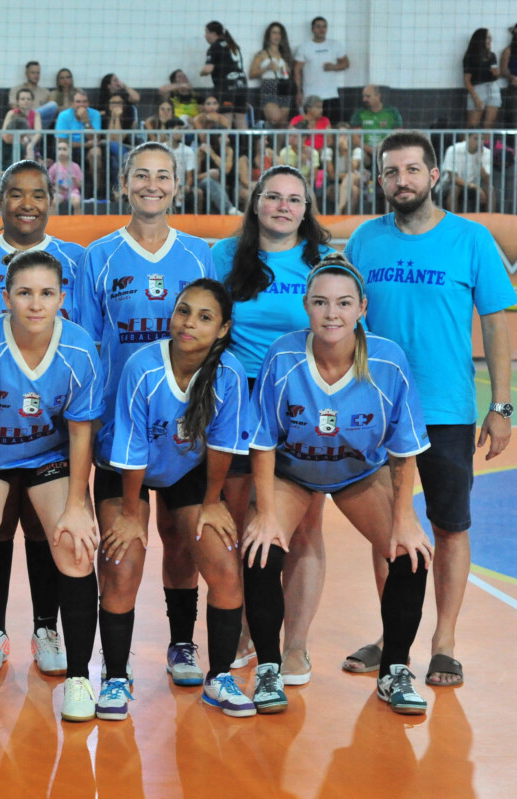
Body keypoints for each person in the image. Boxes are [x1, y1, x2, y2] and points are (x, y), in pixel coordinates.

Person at [344, 130, 514, 687]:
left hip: (446, 409)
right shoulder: (365, 240)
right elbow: (344, 317)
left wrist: (502, 406)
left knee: (449, 525)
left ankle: (444, 642)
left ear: (434, 175)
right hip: (376, 410)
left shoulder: (471, 239)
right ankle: (392, 636)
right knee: (385, 529)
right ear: (381, 180)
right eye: (392, 172)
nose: (402, 181)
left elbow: (496, 322)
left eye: (412, 170)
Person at [243, 254, 432, 715]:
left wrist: (404, 518)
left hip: (358, 474)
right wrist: (265, 514)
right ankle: (269, 668)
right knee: (261, 547)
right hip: (293, 472)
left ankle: (394, 670)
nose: (332, 314)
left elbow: (404, 448)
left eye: (344, 303)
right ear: (306, 306)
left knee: (410, 553)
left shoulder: (387, 361)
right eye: (321, 302)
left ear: (362, 308)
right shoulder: (284, 356)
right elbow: (263, 441)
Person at [76, 143, 215, 692]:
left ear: (177, 185)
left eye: (162, 176)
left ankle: (182, 642)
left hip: (186, 431)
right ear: (124, 183)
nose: (151, 184)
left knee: (180, 541)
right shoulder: (99, 255)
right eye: (141, 175)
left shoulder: (199, 255)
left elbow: (214, 340)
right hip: (121, 430)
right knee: (121, 551)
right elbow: (87, 347)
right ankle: (116, 663)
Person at [0, 160, 86, 677]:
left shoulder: (76, 260)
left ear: (53, 200)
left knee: (46, 529)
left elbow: (83, 335)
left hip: (48, 430)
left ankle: (46, 627)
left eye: (38, 194)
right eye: (16, 193)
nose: (28, 204)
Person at [0, 249, 102, 723]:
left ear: (62, 297)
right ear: (6, 297)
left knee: (76, 547)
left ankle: (79, 678)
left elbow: (81, 434)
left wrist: (77, 506)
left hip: (48, 460)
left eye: (47, 293)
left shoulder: (79, 348)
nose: (36, 304)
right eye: (25, 293)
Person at [95, 277, 252, 720]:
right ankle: (115, 676)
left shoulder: (229, 373)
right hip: (124, 470)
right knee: (123, 562)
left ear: (222, 329)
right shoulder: (143, 366)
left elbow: (223, 443)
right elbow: (131, 445)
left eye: (204, 317)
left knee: (223, 565)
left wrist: (212, 501)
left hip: (186, 470)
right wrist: (131, 514)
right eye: (183, 311)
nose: (189, 323)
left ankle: (213, 672)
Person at [212, 164, 334, 683]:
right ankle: (244, 628)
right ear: (256, 203)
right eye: (273, 196)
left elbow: (344, 332)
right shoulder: (224, 256)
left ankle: (296, 644)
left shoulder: (322, 262)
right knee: (243, 521)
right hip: (240, 401)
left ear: (305, 210)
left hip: (301, 400)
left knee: (304, 526)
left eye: (294, 199)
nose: (283, 206)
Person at [293, 17, 349, 124]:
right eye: (318, 26)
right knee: (311, 126)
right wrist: (298, 92)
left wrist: (334, 67)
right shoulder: (304, 47)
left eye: (324, 26)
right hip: (311, 96)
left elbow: (346, 63)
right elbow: (297, 70)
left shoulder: (335, 44)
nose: (321, 29)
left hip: (331, 95)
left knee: (332, 126)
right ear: (312, 29)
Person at [200, 21, 249, 128]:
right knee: (241, 119)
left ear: (213, 33)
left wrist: (201, 72)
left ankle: (225, 139)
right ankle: (244, 139)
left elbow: (208, 69)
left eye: (206, 32)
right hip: (242, 85)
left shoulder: (215, 47)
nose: (205, 36)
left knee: (226, 119)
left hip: (227, 87)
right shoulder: (232, 45)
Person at [54, 89, 102, 196]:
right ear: (72, 103)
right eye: (78, 102)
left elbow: (95, 138)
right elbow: (62, 141)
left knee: (96, 153)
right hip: (71, 148)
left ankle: (96, 192)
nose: (81, 105)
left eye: (84, 101)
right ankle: (67, 192)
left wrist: (86, 120)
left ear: (88, 103)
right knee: (63, 150)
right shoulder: (64, 115)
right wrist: (85, 144)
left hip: (89, 147)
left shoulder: (95, 114)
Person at [249, 22, 295, 128]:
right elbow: (251, 74)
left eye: (279, 33)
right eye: (274, 33)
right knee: (275, 118)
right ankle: (266, 130)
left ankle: (277, 139)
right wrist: (267, 68)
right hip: (269, 85)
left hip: (284, 86)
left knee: (283, 122)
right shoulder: (262, 54)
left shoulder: (285, 54)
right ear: (268, 35)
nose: (276, 36)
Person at [348, 86, 402, 166]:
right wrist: (370, 149)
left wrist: (383, 147)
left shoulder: (392, 112)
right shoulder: (359, 113)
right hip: (365, 152)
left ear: (378, 96)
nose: (364, 99)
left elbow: (398, 134)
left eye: (368, 96)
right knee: (358, 153)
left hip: (387, 150)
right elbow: (355, 137)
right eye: (363, 96)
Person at [438, 133, 492, 213]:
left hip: (475, 184)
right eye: (476, 139)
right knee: (455, 188)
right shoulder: (453, 150)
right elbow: (453, 178)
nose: (480, 142)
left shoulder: (487, 153)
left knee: (490, 189)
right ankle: (453, 219)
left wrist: (480, 163)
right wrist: (475, 187)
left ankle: (490, 218)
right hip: (452, 183)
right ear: (467, 138)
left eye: (482, 139)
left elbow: (488, 181)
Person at [463, 28, 502, 129]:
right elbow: (467, 81)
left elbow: (495, 76)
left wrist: (497, 74)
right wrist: (476, 98)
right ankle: (466, 140)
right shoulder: (470, 57)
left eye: (490, 38)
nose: (490, 40)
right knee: (472, 125)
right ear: (480, 40)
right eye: (487, 38)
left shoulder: (492, 56)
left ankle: (486, 140)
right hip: (478, 89)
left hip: (493, 88)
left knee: (489, 125)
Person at [8, 61, 57, 129]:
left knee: (53, 105)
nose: (36, 76)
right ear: (26, 74)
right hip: (23, 122)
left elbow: (51, 110)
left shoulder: (45, 92)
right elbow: (13, 107)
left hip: (40, 124)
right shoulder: (16, 89)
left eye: (38, 73)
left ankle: (33, 118)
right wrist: (28, 114)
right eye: (33, 73)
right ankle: (31, 118)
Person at [48, 140, 83, 214]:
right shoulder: (54, 167)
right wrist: (56, 189)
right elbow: (48, 184)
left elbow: (80, 185)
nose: (61, 151)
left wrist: (75, 180)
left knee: (76, 203)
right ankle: (52, 221)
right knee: (53, 202)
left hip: (73, 191)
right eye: (59, 149)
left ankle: (79, 220)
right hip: (58, 192)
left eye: (64, 149)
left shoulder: (75, 166)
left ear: (70, 151)